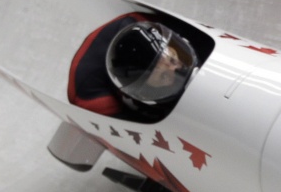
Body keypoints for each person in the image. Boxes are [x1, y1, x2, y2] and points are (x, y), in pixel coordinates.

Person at [68, 13, 198, 121]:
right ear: (148, 91)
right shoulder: (93, 100)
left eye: (172, 60)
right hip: (92, 94)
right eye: (163, 76)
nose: (176, 71)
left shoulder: (145, 24)